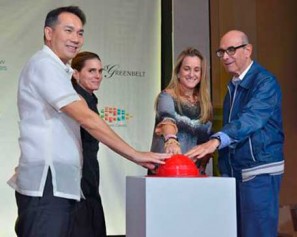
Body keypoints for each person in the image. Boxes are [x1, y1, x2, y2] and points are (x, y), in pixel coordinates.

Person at [7, 6, 167, 237]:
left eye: (80, 33)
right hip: (46, 184)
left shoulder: (58, 69)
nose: (76, 39)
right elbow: (86, 118)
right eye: (69, 30)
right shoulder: (44, 65)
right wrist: (135, 154)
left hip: (62, 185)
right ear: (49, 33)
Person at [186, 30, 284, 237]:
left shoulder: (265, 82)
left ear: (248, 50)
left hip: (259, 172)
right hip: (236, 173)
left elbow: (251, 119)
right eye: (221, 52)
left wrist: (215, 142)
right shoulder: (234, 85)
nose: (226, 56)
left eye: (231, 50)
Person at [150, 47, 213, 174]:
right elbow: (167, 121)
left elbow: (205, 145)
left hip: (193, 175)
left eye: (196, 70)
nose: (191, 74)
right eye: (186, 69)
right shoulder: (166, 96)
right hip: (166, 173)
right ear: (178, 72)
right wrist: (171, 140)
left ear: (201, 75)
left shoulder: (205, 104)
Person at [69, 51, 106, 236]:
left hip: (90, 174)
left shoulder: (90, 98)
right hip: (78, 178)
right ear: (76, 74)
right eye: (91, 71)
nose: (98, 76)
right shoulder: (75, 99)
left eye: (100, 71)